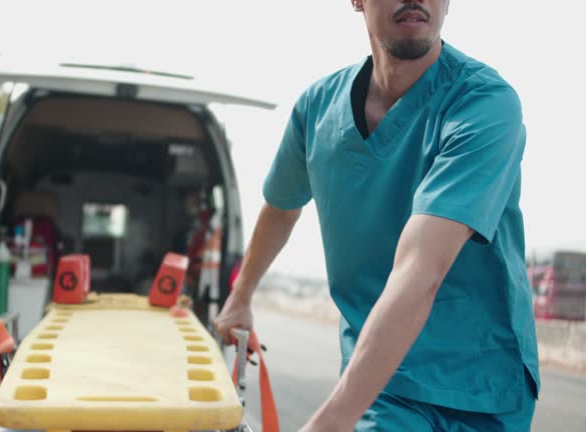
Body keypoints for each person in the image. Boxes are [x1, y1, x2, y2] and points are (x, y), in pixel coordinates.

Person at [214, 1, 539, 430]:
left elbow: (421, 271)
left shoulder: (482, 104)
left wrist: (327, 423)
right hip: (382, 384)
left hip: (480, 387)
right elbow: (281, 206)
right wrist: (240, 297)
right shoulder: (317, 109)